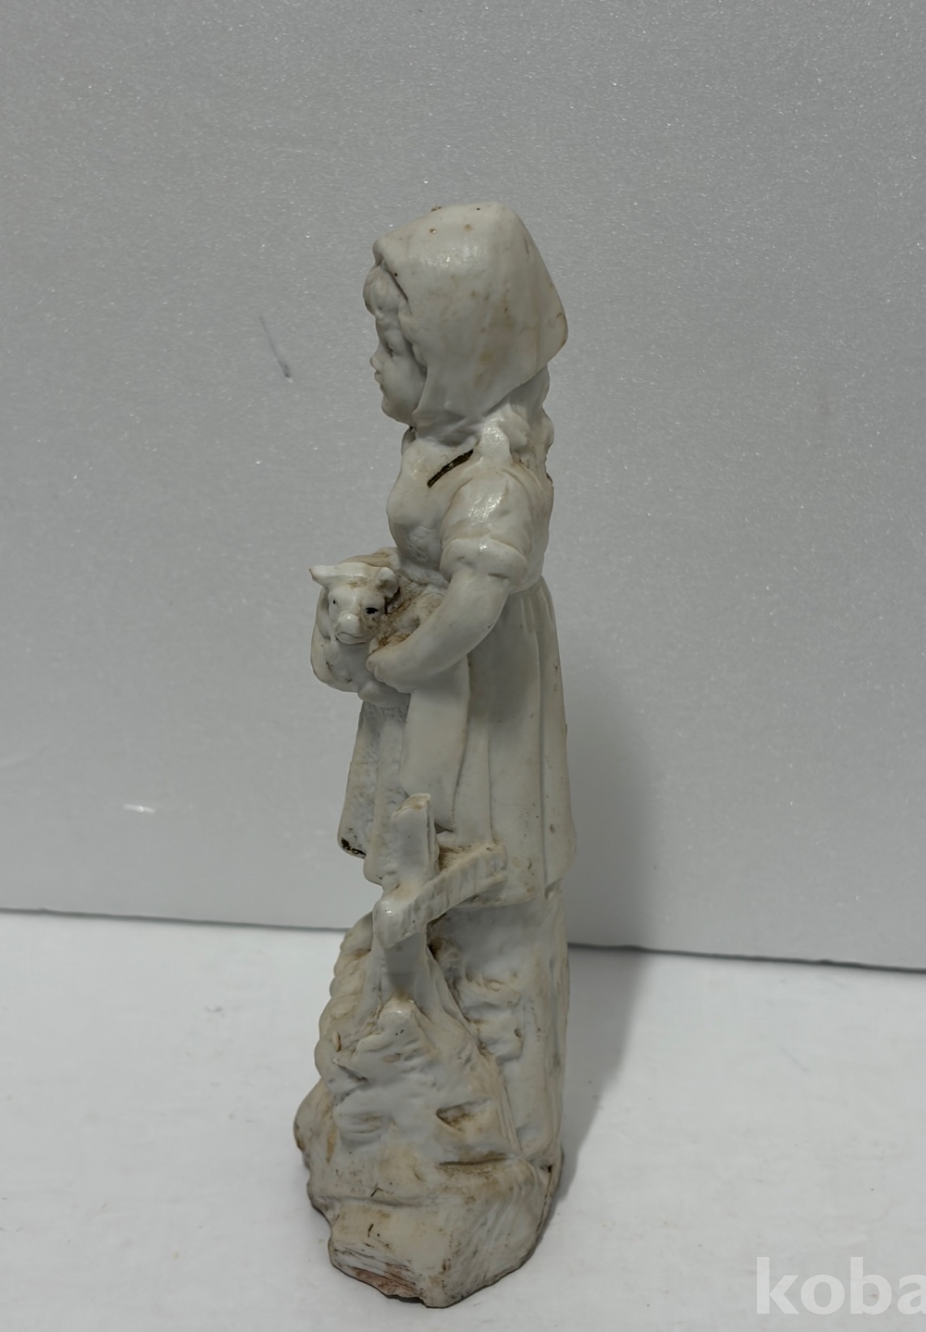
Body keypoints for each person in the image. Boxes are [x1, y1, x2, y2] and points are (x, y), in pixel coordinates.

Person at [300, 204, 575, 1301]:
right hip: (430, 690)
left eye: (395, 345)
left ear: (462, 354)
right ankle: (393, 1093)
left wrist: (397, 658)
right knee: (415, 869)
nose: (376, 363)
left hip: (478, 699)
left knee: (482, 886)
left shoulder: (499, 478)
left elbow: (470, 612)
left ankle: (494, 1141)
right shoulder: (433, 444)